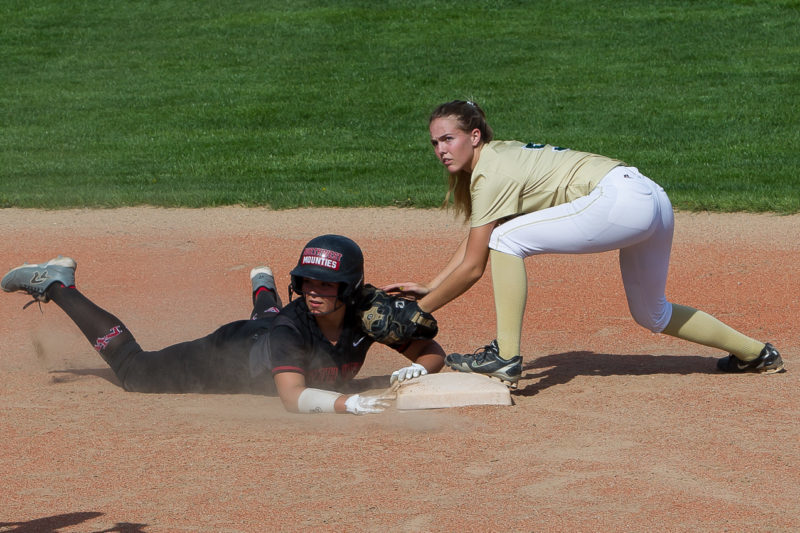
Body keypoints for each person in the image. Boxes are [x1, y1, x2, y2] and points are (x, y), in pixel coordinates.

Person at [384, 99, 785, 388]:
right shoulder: (498, 158)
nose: (440, 150)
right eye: (435, 143)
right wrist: (434, 284)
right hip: (650, 198)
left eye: (448, 139)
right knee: (652, 313)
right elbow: (480, 235)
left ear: (473, 136)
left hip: (621, 202)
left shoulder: (491, 173)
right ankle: (756, 353)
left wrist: (416, 312)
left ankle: (505, 356)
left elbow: (476, 263)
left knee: (508, 240)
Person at [2, 234, 445, 414]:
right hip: (227, 354)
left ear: (348, 291)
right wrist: (346, 405)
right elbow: (292, 398)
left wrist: (420, 366)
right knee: (135, 372)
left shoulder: (367, 316)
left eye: (326, 285)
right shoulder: (294, 327)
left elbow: (430, 353)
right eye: (307, 281)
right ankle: (59, 284)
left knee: (275, 321)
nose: (314, 290)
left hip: (270, 332)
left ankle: (262, 291)